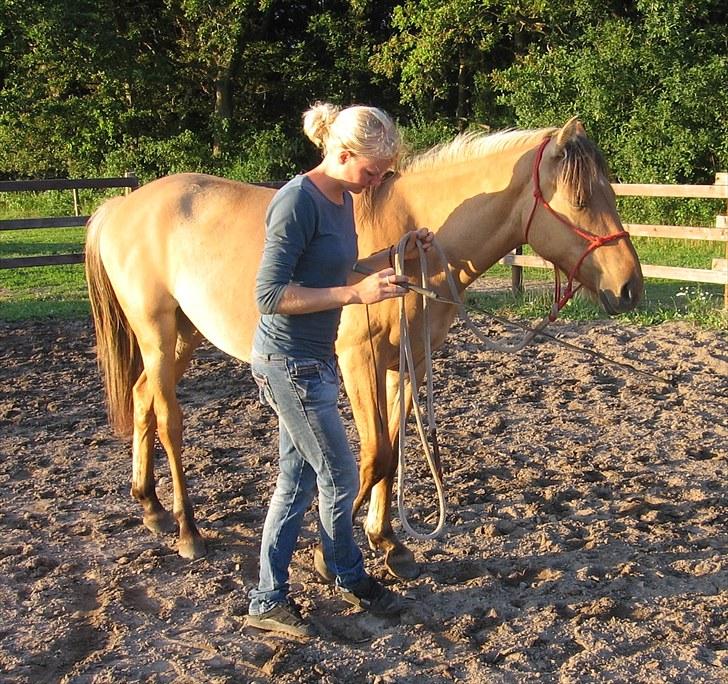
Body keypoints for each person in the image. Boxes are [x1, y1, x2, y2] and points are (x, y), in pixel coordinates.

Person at [245, 102, 434, 638]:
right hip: (289, 362)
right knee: (340, 475)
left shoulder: (340, 199)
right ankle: (343, 576)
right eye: (371, 171)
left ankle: (274, 595)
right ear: (343, 153)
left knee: (298, 480)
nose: (377, 181)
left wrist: (393, 255)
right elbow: (269, 294)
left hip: (314, 360)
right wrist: (357, 294)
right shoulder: (296, 203)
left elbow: (337, 266)